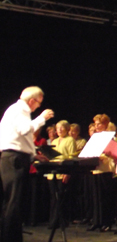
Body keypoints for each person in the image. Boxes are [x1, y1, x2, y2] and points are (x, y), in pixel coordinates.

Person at [0, 86, 54, 242]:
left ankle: (10, 237)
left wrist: (34, 155)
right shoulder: (20, 110)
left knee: (12, 202)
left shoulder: (14, 110)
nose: (39, 107)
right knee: (13, 202)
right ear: (32, 101)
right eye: (38, 103)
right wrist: (42, 118)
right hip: (14, 160)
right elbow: (24, 130)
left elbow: (18, 138)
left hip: (12, 158)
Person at [47, 120, 76, 229]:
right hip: (53, 172)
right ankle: (53, 221)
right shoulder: (54, 141)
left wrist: (68, 173)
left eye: (62, 128)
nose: (59, 130)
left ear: (67, 129)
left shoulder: (70, 140)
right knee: (53, 198)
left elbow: (71, 157)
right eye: (57, 128)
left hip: (63, 171)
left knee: (61, 197)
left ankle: (60, 221)